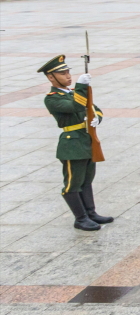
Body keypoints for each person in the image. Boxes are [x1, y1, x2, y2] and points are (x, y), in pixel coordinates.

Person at [39, 54, 113, 231]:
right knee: (72, 183)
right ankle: (80, 218)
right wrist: (81, 86)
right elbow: (76, 106)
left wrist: (96, 119)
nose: (67, 76)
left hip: (87, 141)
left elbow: (95, 109)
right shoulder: (52, 98)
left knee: (86, 180)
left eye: (68, 72)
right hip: (72, 145)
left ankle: (90, 213)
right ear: (51, 77)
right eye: (62, 73)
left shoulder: (73, 93)